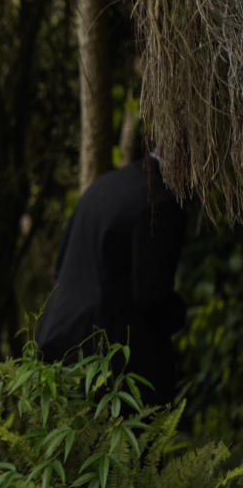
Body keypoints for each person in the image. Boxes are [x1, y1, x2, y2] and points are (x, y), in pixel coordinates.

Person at [35, 153, 186, 404]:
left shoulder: (108, 184)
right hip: (108, 362)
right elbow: (150, 296)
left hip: (57, 336)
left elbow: (61, 262)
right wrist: (179, 313)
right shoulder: (159, 200)